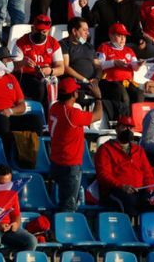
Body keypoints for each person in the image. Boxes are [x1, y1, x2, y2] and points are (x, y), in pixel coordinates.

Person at [48, 77, 102, 211]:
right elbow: (98, 115)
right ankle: (62, 230)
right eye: (76, 91)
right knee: (68, 205)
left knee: (62, 202)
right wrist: (98, 98)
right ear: (73, 94)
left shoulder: (55, 107)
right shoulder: (72, 114)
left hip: (56, 160)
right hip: (69, 164)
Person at [94, 117, 154, 216]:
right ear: (117, 129)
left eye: (130, 128)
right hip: (116, 191)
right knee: (131, 202)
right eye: (124, 127)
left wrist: (149, 190)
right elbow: (103, 175)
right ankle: (130, 229)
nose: (128, 130)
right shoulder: (105, 149)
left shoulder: (138, 150)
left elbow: (147, 173)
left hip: (140, 190)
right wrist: (122, 186)